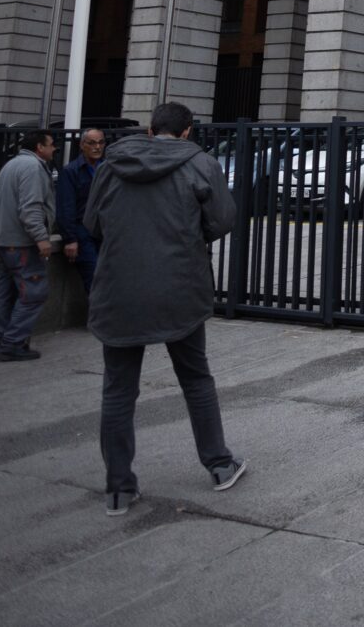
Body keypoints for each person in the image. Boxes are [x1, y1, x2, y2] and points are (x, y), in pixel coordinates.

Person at [85, 101, 245, 517]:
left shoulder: (112, 164)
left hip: (119, 287)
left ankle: (119, 488)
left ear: (151, 129)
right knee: (195, 377)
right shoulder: (201, 163)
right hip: (179, 285)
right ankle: (219, 464)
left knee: (118, 389)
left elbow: (93, 222)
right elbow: (222, 220)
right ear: (188, 130)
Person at [0, 130, 59, 362]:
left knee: (5, 293)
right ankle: (11, 343)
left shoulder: (12, 165)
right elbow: (30, 207)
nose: (54, 149)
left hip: (6, 240)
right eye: (51, 144)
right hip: (23, 243)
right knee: (34, 293)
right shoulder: (33, 168)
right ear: (40, 147)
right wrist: (41, 238)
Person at [56, 128, 106, 296]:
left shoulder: (107, 168)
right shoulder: (71, 171)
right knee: (94, 281)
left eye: (101, 142)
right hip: (83, 232)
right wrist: (70, 239)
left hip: (105, 231)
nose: (97, 147)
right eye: (92, 143)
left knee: (108, 280)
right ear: (82, 145)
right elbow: (66, 207)